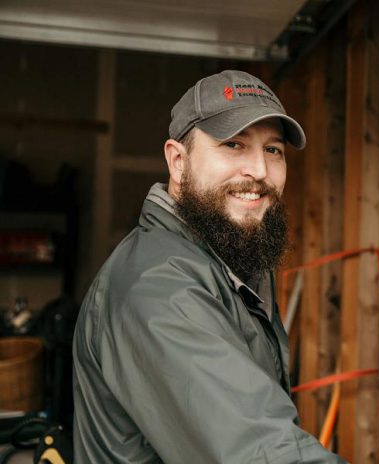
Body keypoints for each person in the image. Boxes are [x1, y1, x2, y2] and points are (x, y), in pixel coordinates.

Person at [72, 70, 346, 463]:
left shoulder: (227, 256)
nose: (260, 171)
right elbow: (261, 454)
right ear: (178, 161)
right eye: (233, 144)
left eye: (273, 150)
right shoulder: (158, 289)